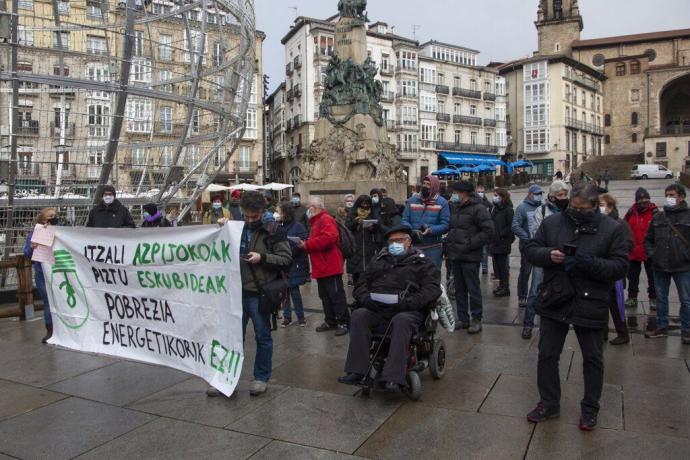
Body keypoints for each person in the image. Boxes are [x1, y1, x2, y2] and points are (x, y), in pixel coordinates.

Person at [525, 183, 628, 431]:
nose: (575, 210)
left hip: (590, 299)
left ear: (594, 205)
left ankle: (590, 408)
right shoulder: (553, 223)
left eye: (582, 208)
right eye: (573, 205)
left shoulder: (613, 229)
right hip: (555, 295)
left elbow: (619, 267)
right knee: (547, 354)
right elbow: (530, 249)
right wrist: (549, 254)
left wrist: (587, 262)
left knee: (593, 358)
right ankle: (548, 403)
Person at [207, 191, 292, 398]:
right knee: (232, 338)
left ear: (263, 212)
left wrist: (262, 257)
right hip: (235, 292)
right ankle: (226, 378)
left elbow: (286, 258)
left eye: (255, 216)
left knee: (263, 336)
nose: (250, 220)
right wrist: (221, 228)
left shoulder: (273, 230)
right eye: (246, 216)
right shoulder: (235, 226)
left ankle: (260, 378)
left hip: (259, 293)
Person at [337, 226, 442, 390]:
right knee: (359, 315)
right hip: (378, 308)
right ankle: (357, 371)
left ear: (408, 242)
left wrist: (409, 302)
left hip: (407, 310)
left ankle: (393, 377)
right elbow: (361, 284)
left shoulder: (423, 262)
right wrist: (366, 299)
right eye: (392, 241)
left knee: (401, 321)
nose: (395, 244)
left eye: (399, 240)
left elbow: (432, 289)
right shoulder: (378, 260)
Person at [522, 180, 570, 339]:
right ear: (552, 196)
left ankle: (552, 325)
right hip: (544, 257)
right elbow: (536, 236)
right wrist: (548, 251)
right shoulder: (541, 211)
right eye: (560, 195)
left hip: (563, 258)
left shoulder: (569, 211)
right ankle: (528, 324)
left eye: (565, 194)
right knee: (535, 290)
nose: (563, 198)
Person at [644, 184, 690, 344]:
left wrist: (686, 255)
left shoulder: (688, 216)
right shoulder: (658, 217)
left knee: (686, 299)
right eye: (667, 195)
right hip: (660, 264)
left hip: (683, 265)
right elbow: (648, 239)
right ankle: (662, 325)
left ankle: (687, 329)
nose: (669, 198)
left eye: (672, 195)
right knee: (661, 298)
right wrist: (652, 254)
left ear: (681, 197)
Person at [446, 181, 494, 333]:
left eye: (455, 192)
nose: (453, 195)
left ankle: (477, 319)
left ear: (463, 193)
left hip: (470, 256)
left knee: (473, 289)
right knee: (459, 289)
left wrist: (470, 244)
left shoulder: (478, 208)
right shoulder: (455, 208)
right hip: (456, 255)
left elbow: (488, 231)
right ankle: (463, 318)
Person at [300, 196, 350, 336]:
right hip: (322, 265)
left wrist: (307, 244)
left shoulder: (325, 219)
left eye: (309, 207)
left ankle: (343, 322)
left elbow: (329, 238)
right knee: (325, 296)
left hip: (330, 265)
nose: (307, 210)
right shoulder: (317, 221)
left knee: (336, 295)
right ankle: (331, 320)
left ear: (315, 208)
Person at [600, 194, 634, 345]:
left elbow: (628, 244)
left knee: (616, 303)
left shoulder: (620, 224)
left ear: (610, 207)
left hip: (615, 270)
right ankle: (603, 332)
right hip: (601, 268)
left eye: (602, 204)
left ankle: (622, 332)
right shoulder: (599, 223)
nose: (600, 207)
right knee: (602, 302)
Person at [23, 208, 59, 343]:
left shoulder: (60, 231)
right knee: (48, 301)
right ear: (43, 219)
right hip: (42, 272)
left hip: (58, 272)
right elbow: (27, 253)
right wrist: (32, 246)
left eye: (55, 216)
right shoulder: (35, 233)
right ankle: (50, 330)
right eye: (50, 216)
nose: (53, 218)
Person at [401, 175, 450, 269]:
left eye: (428, 184)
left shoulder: (442, 203)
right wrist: (411, 230)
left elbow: (445, 225)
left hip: (433, 248)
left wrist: (430, 230)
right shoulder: (411, 201)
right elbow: (404, 220)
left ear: (434, 187)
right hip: (413, 246)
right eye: (424, 183)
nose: (425, 186)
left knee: (432, 277)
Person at [623, 187, 658, 310]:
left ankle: (653, 299)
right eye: (641, 199)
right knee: (632, 277)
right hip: (633, 251)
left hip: (650, 252)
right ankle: (632, 297)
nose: (644, 201)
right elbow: (624, 227)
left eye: (646, 198)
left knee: (652, 277)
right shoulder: (631, 212)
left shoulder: (655, 212)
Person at [276, 202, 309, 327]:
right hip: (282, 264)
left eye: (279, 212)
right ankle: (287, 317)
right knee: (284, 293)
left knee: (294, 291)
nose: (277, 214)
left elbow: (304, 240)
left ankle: (301, 317)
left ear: (285, 213)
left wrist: (291, 251)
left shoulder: (298, 226)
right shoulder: (278, 225)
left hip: (294, 263)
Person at [512, 184, 543, 307]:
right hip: (528, 246)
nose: (539, 196)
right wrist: (527, 238)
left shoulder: (543, 207)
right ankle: (522, 295)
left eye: (540, 194)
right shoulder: (522, 208)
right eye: (537, 194)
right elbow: (515, 226)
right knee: (525, 271)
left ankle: (539, 295)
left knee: (540, 273)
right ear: (530, 194)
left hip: (541, 246)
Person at [346, 195, 379, 286]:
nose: (365, 206)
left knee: (368, 274)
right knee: (356, 273)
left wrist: (372, 227)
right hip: (356, 245)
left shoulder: (371, 213)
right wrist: (356, 222)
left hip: (368, 246)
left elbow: (377, 227)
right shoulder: (352, 213)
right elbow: (347, 226)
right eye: (363, 204)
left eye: (367, 204)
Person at [489, 188, 514, 298]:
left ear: (503, 197)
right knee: (498, 266)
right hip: (494, 241)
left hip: (503, 242)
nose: (494, 197)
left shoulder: (508, 210)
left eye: (496, 195)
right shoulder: (495, 209)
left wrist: (502, 234)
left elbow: (511, 226)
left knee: (503, 266)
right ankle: (501, 285)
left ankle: (505, 287)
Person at [476, 184, 493, 275]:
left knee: (484, 251)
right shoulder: (473, 202)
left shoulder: (488, 204)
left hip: (484, 231)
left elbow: (491, 216)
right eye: (478, 192)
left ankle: (485, 267)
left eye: (482, 192)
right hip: (475, 231)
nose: (480, 194)